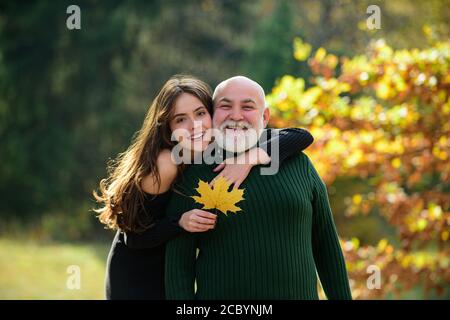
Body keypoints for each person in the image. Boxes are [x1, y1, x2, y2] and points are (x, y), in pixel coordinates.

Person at [93, 75, 314, 299]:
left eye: (200, 113)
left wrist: (249, 158)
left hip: (176, 266)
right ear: (168, 127)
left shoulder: (218, 143)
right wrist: (179, 222)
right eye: (181, 119)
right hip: (141, 276)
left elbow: (300, 136)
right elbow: (135, 239)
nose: (195, 126)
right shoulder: (165, 164)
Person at [165, 76, 352, 300]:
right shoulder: (194, 174)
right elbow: (178, 268)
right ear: (213, 114)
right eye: (225, 106)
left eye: (247, 107)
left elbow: (327, 249)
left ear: (265, 116)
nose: (236, 115)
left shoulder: (299, 164)